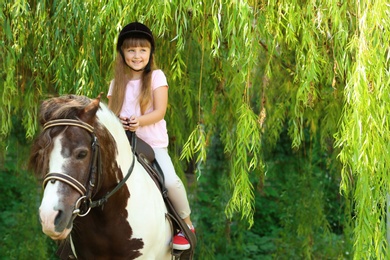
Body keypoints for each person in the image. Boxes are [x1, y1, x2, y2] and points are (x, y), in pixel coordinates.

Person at [107, 22, 194, 251]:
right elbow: (111, 116)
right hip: (124, 146)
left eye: (142, 50)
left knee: (170, 181)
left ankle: (185, 224)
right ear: (123, 54)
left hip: (152, 146)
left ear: (150, 53)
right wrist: (118, 123)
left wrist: (138, 122)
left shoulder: (157, 77)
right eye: (131, 50)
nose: (137, 56)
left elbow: (159, 111)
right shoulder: (116, 84)